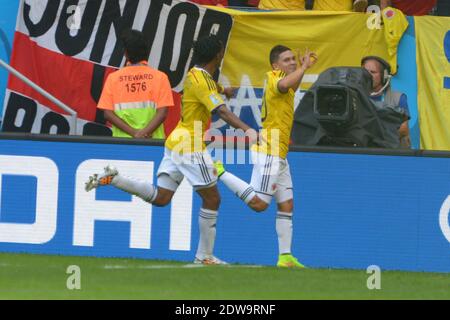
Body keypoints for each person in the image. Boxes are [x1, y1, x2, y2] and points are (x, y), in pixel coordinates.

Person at [85, 35, 255, 265]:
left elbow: (211, 88)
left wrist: (224, 89)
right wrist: (249, 130)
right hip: (190, 144)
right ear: (219, 54)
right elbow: (222, 112)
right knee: (213, 198)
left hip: (176, 141)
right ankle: (204, 256)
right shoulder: (202, 79)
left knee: (162, 198)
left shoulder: (196, 74)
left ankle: (115, 179)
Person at [215, 45, 318, 268]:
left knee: (287, 204)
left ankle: (285, 257)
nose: (291, 62)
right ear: (275, 65)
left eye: (293, 59)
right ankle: (220, 171)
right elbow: (283, 85)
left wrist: (300, 69)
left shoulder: (286, 84)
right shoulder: (274, 78)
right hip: (269, 151)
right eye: (287, 60)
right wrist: (304, 67)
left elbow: (289, 86)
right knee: (260, 204)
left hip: (280, 154)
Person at [97, 29, 173, 139]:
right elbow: (162, 113)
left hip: (122, 143)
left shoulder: (113, 78)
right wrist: (143, 134)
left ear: (126, 54)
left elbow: (108, 114)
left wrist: (134, 133)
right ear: (147, 52)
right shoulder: (160, 77)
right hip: (153, 143)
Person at [361, 56, 411, 148]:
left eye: (373, 72)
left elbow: (403, 129)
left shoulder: (398, 98)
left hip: (392, 154)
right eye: (365, 72)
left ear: (384, 76)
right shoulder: (355, 97)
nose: (367, 75)